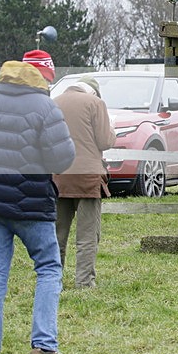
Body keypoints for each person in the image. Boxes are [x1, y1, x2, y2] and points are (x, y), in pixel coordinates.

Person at [0, 50, 75, 354]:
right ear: (41, 78)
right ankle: (44, 348)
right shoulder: (44, 106)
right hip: (31, 203)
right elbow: (62, 159)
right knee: (49, 269)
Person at [53, 76, 116, 288]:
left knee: (57, 233)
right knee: (87, 235)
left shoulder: (55, 102)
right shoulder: (95, 103)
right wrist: (112, 130)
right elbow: (105, 141)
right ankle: (84, 282)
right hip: (88, 177)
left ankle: (53, 279)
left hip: (58, 177)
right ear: (94, 92)